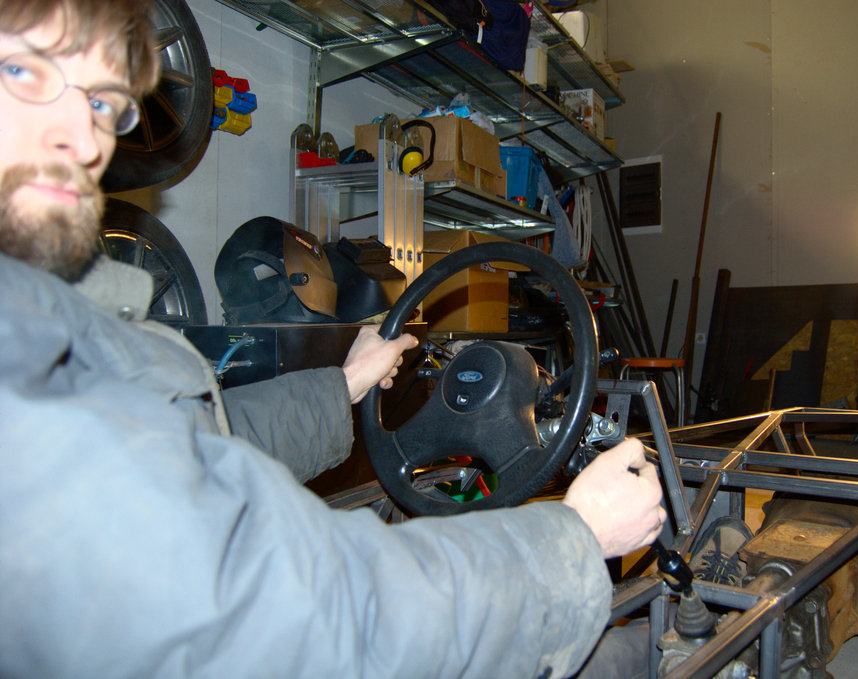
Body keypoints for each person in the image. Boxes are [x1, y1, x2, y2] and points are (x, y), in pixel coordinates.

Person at [0, 2, 667, 678]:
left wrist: (343, 385)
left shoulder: (57, 333)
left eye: (101, 103)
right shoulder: (29, 391)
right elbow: (325, 619)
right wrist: (573, 541)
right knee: (640, 654)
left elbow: (205, 437)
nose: (83, 140)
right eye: (24, 71)